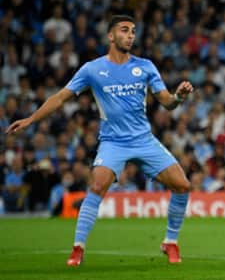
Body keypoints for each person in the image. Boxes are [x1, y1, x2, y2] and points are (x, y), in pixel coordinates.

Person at [6, 15, 194, 266]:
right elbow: (61, 97)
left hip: (143, 140)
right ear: (111, 36)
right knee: (97, 187)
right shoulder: (92, 69)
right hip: (113, 142)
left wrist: (179, 97)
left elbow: (167, 103)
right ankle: (77, 249)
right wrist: (31, 119)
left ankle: (170, 241)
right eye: (124, 30)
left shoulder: (145, 66)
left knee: (182, 185)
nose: (130, 35)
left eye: (133, 31)